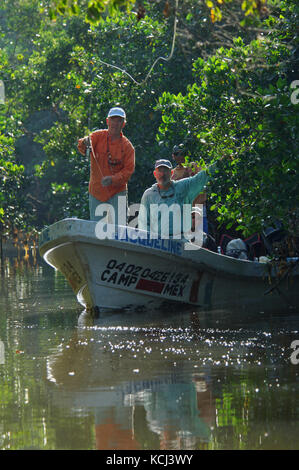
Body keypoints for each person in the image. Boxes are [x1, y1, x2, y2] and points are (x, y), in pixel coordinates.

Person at [77, 107, 135, 225]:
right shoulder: (97, 136)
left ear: (123, 124)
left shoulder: (128, 147)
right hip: (97, 191)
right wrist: (85, 142)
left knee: (121, 227)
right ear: (107, 121)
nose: (115, 123)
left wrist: (112, 179)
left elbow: (128, 172)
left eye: (119, 120)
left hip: (118, 191)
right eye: (113, 120)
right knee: (97, 228)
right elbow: (82, 146)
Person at [138, 158, 218, 239]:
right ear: (155, 174)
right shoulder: (149, 195)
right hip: (159, 243)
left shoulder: (184, 187)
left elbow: (202, 177)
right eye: (160, 171)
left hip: (181, 240)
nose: (162, 174)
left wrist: (219, 162)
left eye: (166, 171)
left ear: (171, 173)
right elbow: (143, 223)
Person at [172, 144, 208, 234]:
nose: (180, 156)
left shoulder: (195, 166)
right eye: (177, 154)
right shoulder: (172, 173)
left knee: (201, 238)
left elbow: (203, 180)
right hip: (183, 211)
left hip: (198, 207)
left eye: (182, 153)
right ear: (173, 156)